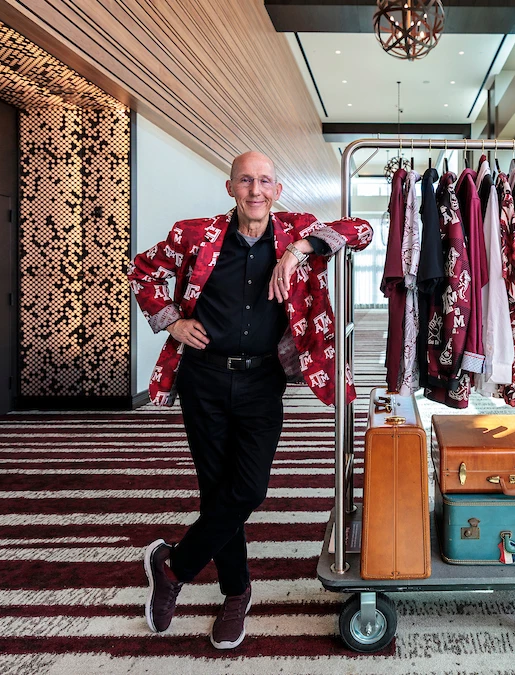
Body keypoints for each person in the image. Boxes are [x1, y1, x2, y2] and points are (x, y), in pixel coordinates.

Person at [127, 151, 372, 650]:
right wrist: (172, 320)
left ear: (276, 190)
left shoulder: (295, 230)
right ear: (230, 187)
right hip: (204, 381)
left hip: (263, 382)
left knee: (248, 489)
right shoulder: (193, 234)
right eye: (245, 181)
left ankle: (172, 567)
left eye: (264, 181)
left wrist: (298, 249)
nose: (255, 190)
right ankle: (237, 594)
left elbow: (362, 229)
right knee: (219, 491)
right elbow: (142, 271)